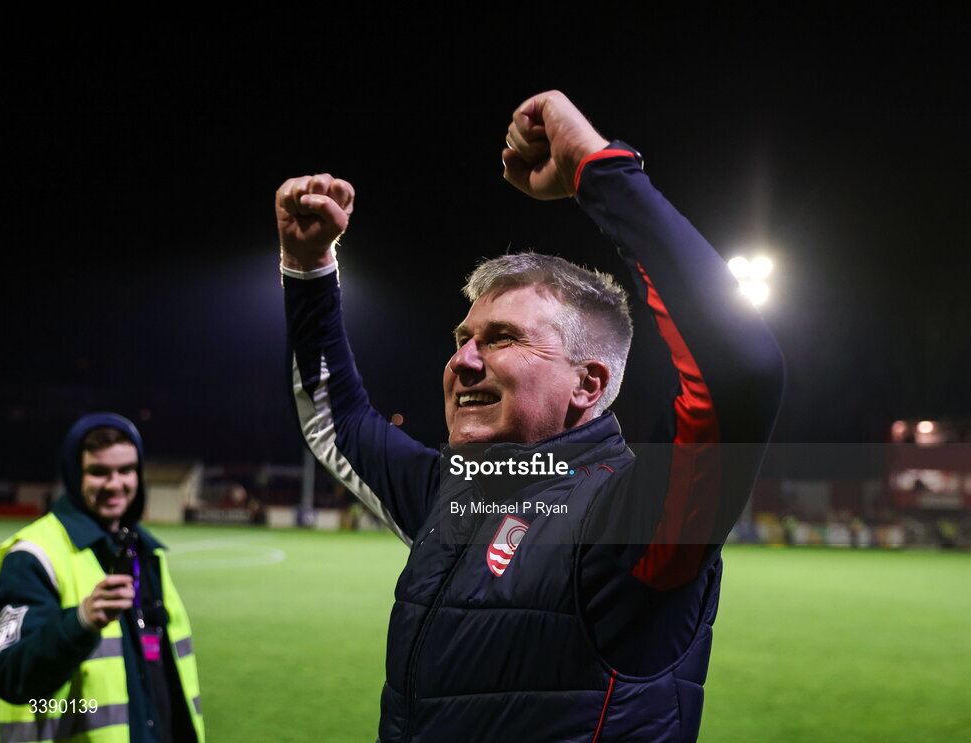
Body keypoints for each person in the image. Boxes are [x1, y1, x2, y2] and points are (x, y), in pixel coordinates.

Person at [277, 91, 784, 742]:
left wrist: (597, 172)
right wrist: (309, 267)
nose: (462, 360)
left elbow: (741, 370)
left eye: (501, 339)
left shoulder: (622, 519)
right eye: (461, 337)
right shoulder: (449, 494)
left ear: (588, 380)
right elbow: (336, 421)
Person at [0, 412, 205, 743]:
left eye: (126, 470)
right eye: (99, 472)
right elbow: (9, 676)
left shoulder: (146, 553)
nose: (115, 484)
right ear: (75, 476)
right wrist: (80, 622)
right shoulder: (33, 556)